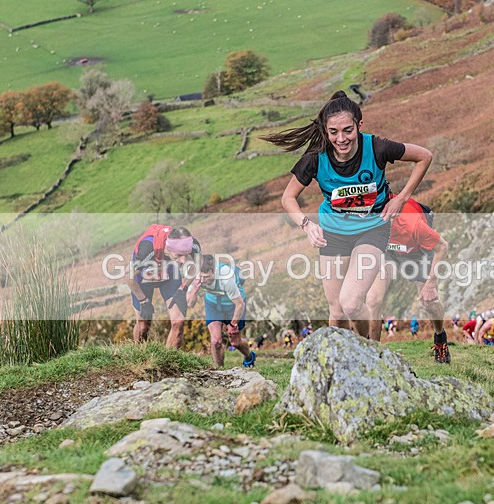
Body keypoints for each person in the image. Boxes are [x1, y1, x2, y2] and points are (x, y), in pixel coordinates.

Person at [264, 90, 432, 339]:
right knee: (338, 312)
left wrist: (402, 198)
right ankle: (342, 358)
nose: (341, 139)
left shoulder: (377, 147)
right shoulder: (316, 157)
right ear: (325, 130)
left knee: (352, 303)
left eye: (348, 130)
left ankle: (366, 351)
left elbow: (424, 156)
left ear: (359, 125)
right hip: (333, 233)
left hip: (372, 229)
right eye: (333, 132)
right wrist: (307, 225)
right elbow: (288, 198)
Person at [364, 196, 450, 362]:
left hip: (416, 254)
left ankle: (440, 338)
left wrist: (431, 283)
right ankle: (373, 357)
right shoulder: (369, 219)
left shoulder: (412, 223)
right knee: (373, 300)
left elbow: (442, 247)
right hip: (388, 253)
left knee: (429, 303)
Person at [125, 224, 201, 349]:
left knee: (178, 322)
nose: (183, 260)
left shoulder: (192, 245)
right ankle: (139, 354)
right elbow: (128, 276)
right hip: (143, 279)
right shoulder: (148, 248)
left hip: (169, 276)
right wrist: (143, 300)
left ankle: (169, 358)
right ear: (169, 248)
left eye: (186, 255)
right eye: (178, 255)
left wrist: (184, 288)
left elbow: (197, 264)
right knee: (144, 325)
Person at [189, 254, 256, 369]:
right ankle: (220, 371)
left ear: (214, 272)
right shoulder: (195, 276)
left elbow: (240, 304)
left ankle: (249, 356)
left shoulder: (226, 277)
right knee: (216, 341)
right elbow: (190, 304)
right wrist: (194, 290)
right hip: (213, 303)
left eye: (206, 277)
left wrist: (233, 324)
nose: (203, 280)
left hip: (233, 305)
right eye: (201, 276)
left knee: (235, 342)